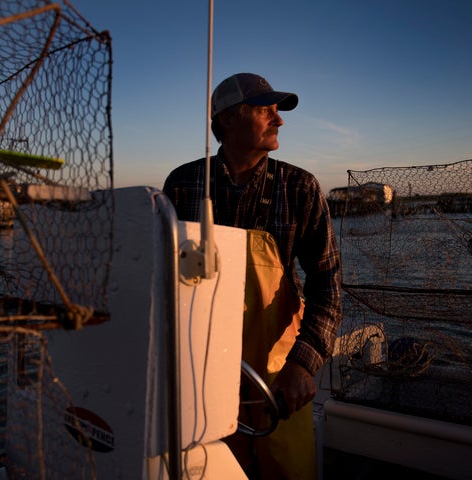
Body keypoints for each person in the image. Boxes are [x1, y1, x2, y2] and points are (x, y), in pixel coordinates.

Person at [162, 72, 342, 479]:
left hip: (281, 378)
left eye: (277, 112)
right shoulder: (183, 184)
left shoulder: (300, 187)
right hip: (204, 375)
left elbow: (328, 286)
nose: (279, 121)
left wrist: (304, 363)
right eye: (266, 111)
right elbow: (163, 284)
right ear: (227, 119)